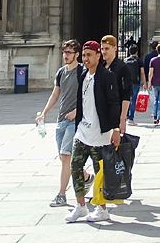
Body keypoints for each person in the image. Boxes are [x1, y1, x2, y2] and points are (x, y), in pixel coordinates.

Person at [66, 41, 121, 224]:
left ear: (98, 55)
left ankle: (102, 209)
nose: (86, 59)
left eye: (90, 55)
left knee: (99, 174)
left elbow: (115, 104)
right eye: (84, 55)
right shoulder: (83, 75)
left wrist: (116, 130)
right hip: (82, 131)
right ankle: (81, 206)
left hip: (100, 134)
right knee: (75, 166)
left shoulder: (107, 77)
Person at [35, 40, 91, 208]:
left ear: (77, 54)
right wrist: (44, 113)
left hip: (75, 122)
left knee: (66, 156)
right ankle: (87, 177)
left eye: (69, 52)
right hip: (61, 120)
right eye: (64, 52)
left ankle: (62, 195)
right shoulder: (61, 72)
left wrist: (77, 111)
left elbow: (88, 95)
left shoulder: (82, 72)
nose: (66, 55)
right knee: (65, 157)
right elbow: (55, 94)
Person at [100, 35, 133, 139]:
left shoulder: (123, 67)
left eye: (106, 48)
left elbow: (126, 94)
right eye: (102, 49)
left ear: (115, 48)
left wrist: (122, 119)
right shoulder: (101, 67)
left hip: (115, 114)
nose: (104, 52)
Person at [124, 43, 146, 123]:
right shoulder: (139, 60)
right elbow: (142, 72)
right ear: (137, 51)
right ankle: (131, 118)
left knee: (126, 99)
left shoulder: (125, 60)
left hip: (126, 82)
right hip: (135, 82)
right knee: (133, 100)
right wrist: (144, 83)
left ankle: (125, 116)